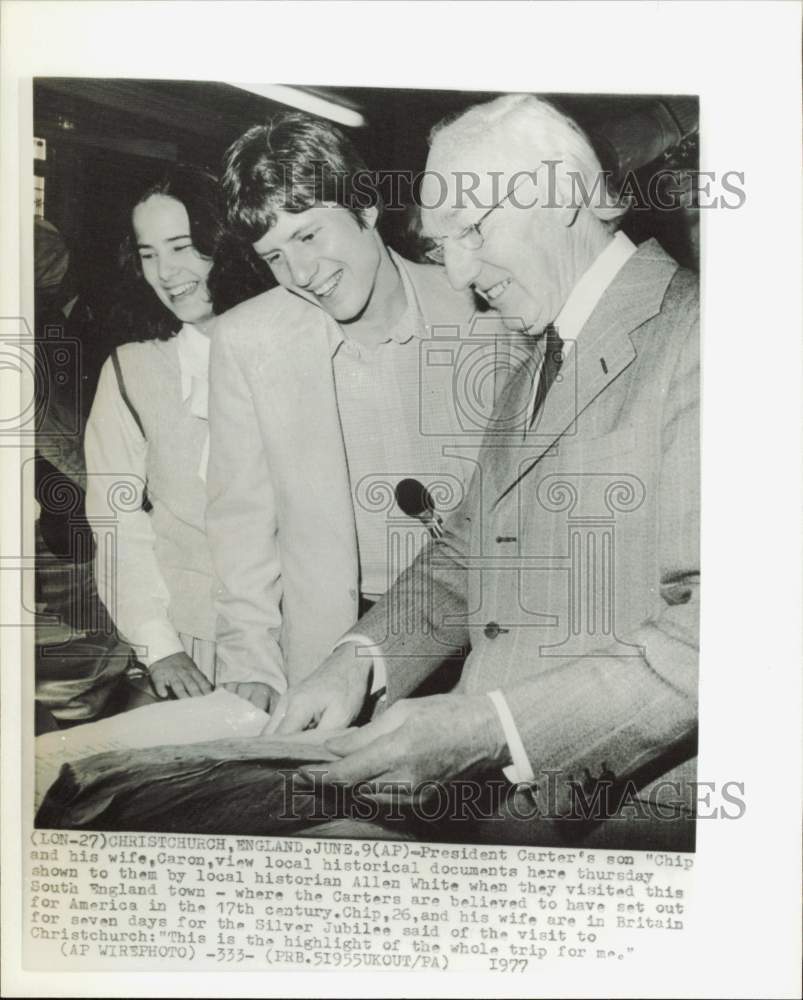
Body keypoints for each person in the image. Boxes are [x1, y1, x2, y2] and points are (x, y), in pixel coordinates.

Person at [266, 95, 700, 842]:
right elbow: (469, 548)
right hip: (498, 814)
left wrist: (492, 729)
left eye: (472, 229)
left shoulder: (705, 336)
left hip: (620, 825)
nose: (461, 273)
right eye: (443, 245)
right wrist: (359, 659)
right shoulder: (535, 357)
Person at [206, 112, 516, 711]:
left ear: (366, 207)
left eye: (308, 235)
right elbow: (241, 527)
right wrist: (251, 665)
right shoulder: (247, 340)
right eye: (273, 256)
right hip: (338, 656)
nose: (301, 275)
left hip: (486, 635)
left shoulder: (485, 309)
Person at [84, 165, 226, 702]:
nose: (167, 272)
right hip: (192, 641)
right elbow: (116, 517)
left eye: (183, 246)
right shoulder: (131, 371)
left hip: (311, 633)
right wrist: (159, 644)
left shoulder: (294, 345)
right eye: (149, 254)